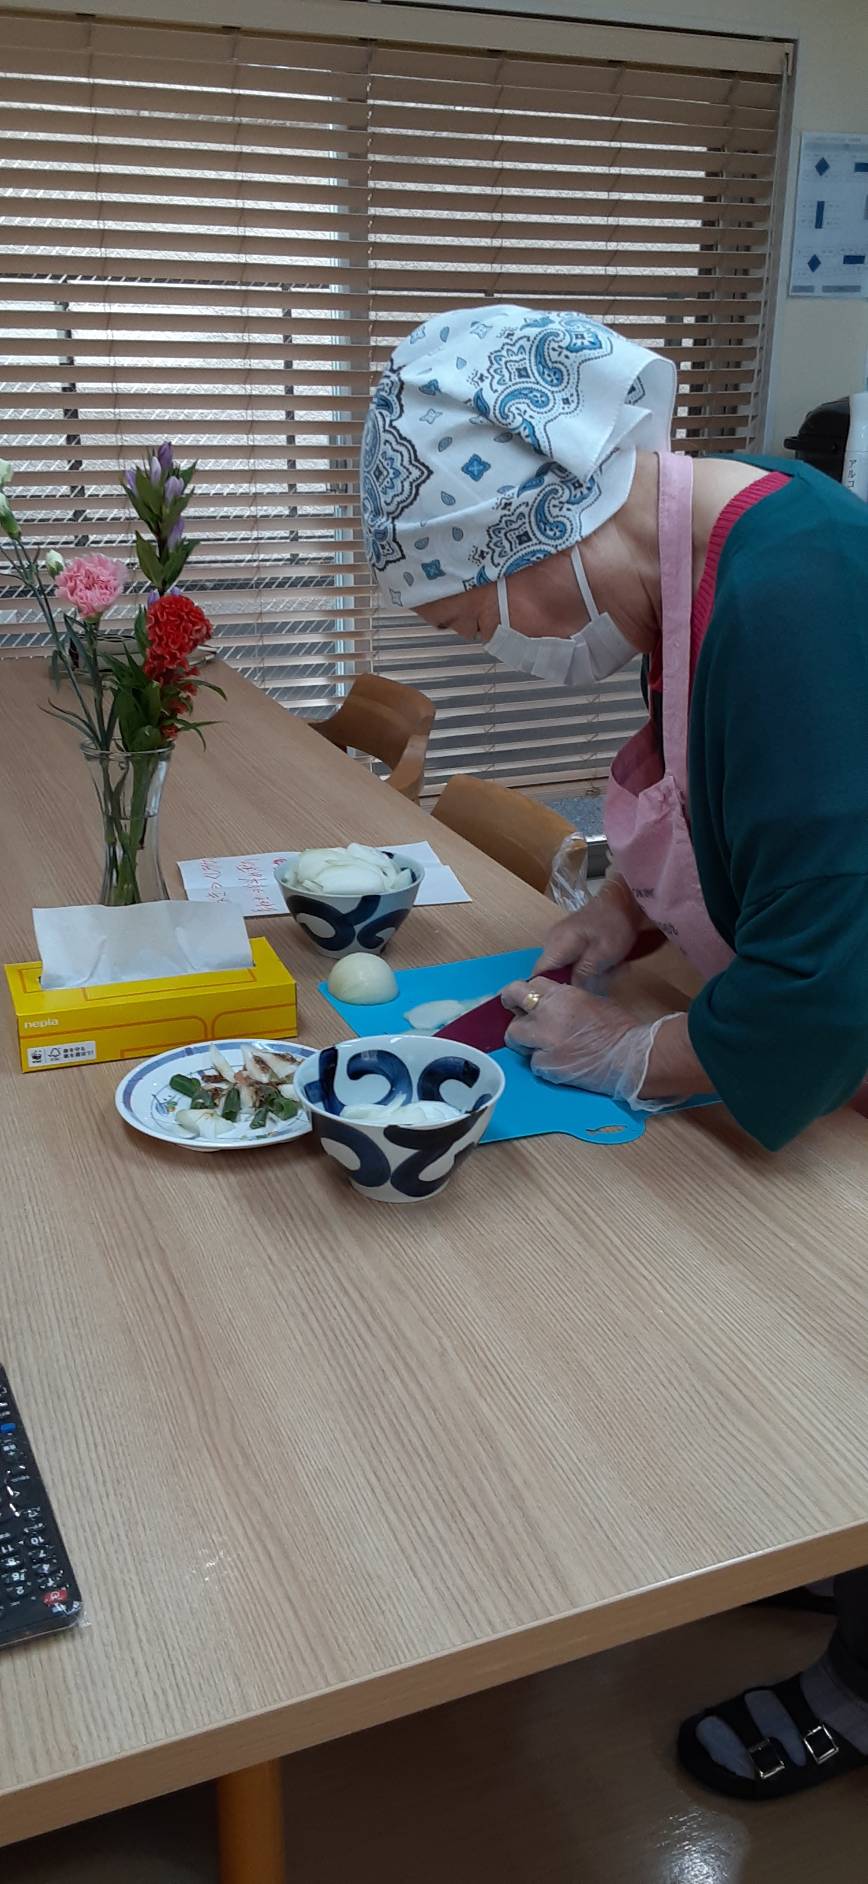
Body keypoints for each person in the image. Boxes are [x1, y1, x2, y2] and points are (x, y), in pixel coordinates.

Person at [360, 303, 868, 1803]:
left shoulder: (797, 591)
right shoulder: (693, 563)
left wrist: (630, 1055)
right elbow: (722, 793)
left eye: (481, 619)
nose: (509, 649)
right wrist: (622, 918)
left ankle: (860, 1688)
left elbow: (826, 978)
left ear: (539, 527)